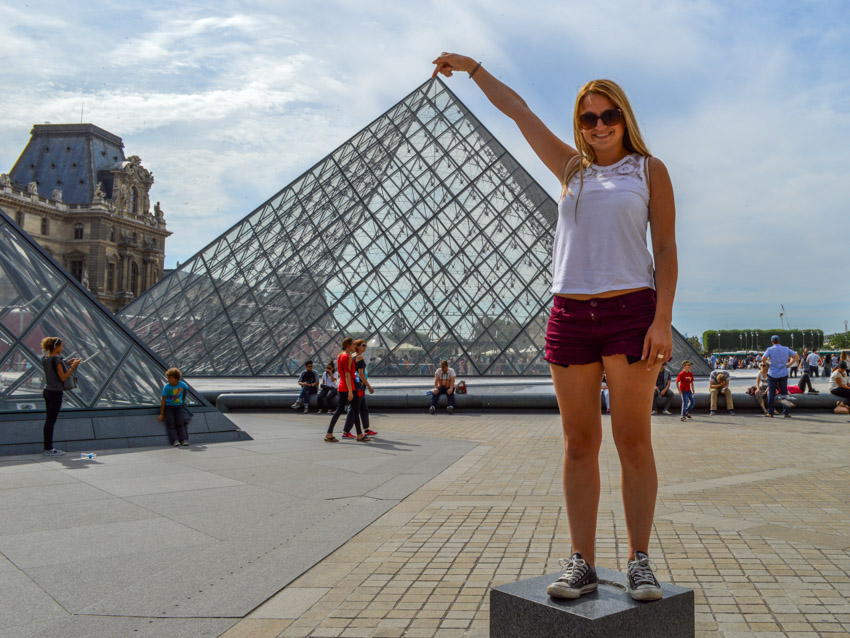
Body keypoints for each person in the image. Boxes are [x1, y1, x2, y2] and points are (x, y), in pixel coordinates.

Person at [432, 54, 676, 602]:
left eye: (609, 114)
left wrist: (663, 319)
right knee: (577, 444)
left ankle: (638, 560)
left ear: (625, 117)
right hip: (568, 314)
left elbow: (664, 247)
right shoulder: (572, 170)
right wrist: (474, 70)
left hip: (630, 312)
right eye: (588, 118)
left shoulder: (649, 170)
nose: (599, 125)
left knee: (633, 440)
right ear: (579, 125)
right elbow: (519, 114)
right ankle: (582, 562)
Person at [40, 337, 82, 456]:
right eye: (61, 346)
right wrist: (73, 367)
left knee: (49, 420)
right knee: (51, 421)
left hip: (47, 390)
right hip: (55, 392)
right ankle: (49, 448)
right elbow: (63, 377)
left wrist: (67, 363)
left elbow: (54, 371)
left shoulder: (45, 359)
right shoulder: (58, 360)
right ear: (56, 347)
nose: (62, 348)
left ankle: (47, 447)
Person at [326, 338, 369, 442]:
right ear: (349, 345)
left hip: (341, 386)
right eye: (354, 344)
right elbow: (348, 375)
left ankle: (329, 433)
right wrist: (350, 391)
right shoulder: (348, 357)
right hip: (349, 387)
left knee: (342, 410)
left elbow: (344, 374)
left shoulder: (340, 356)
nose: (355, 346)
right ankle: (359, 435)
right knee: (354, 410)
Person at [762, 335, 799, 418]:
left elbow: (763, 358)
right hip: (783, 373)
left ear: (772, 342)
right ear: (779, 341)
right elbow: (797, 356)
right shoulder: (786, 349)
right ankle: (786, 412)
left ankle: (770, 412)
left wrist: (768, 363)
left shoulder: (770, 349)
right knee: (784, 393)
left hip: (772, 374)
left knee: (771, 393)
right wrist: (789, 364)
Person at [157, 367, 190, 447]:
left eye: (170, 378)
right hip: (168, 407)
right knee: (171, 424)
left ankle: (184, 440)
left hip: (178, 407)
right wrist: (162, 414)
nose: (168, 380)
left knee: (180, 423)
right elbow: (163, 401)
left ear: (176, 379)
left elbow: (186, 390)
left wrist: (182, 401)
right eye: (168, 378)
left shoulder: (182, 385)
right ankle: (175, 440)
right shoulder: (166, 387)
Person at [352, 339, 377, 437]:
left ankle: (366, 429)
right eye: (363, 345)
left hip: (355, 384)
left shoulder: (352, 356)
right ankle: (346, 431)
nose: (365, 347)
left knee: (363, 408)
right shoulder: (359, 357)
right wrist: (369, 387)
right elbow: (361, 374)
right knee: (354, 409)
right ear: (357, 346)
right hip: (360, 386)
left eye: (365, 345)